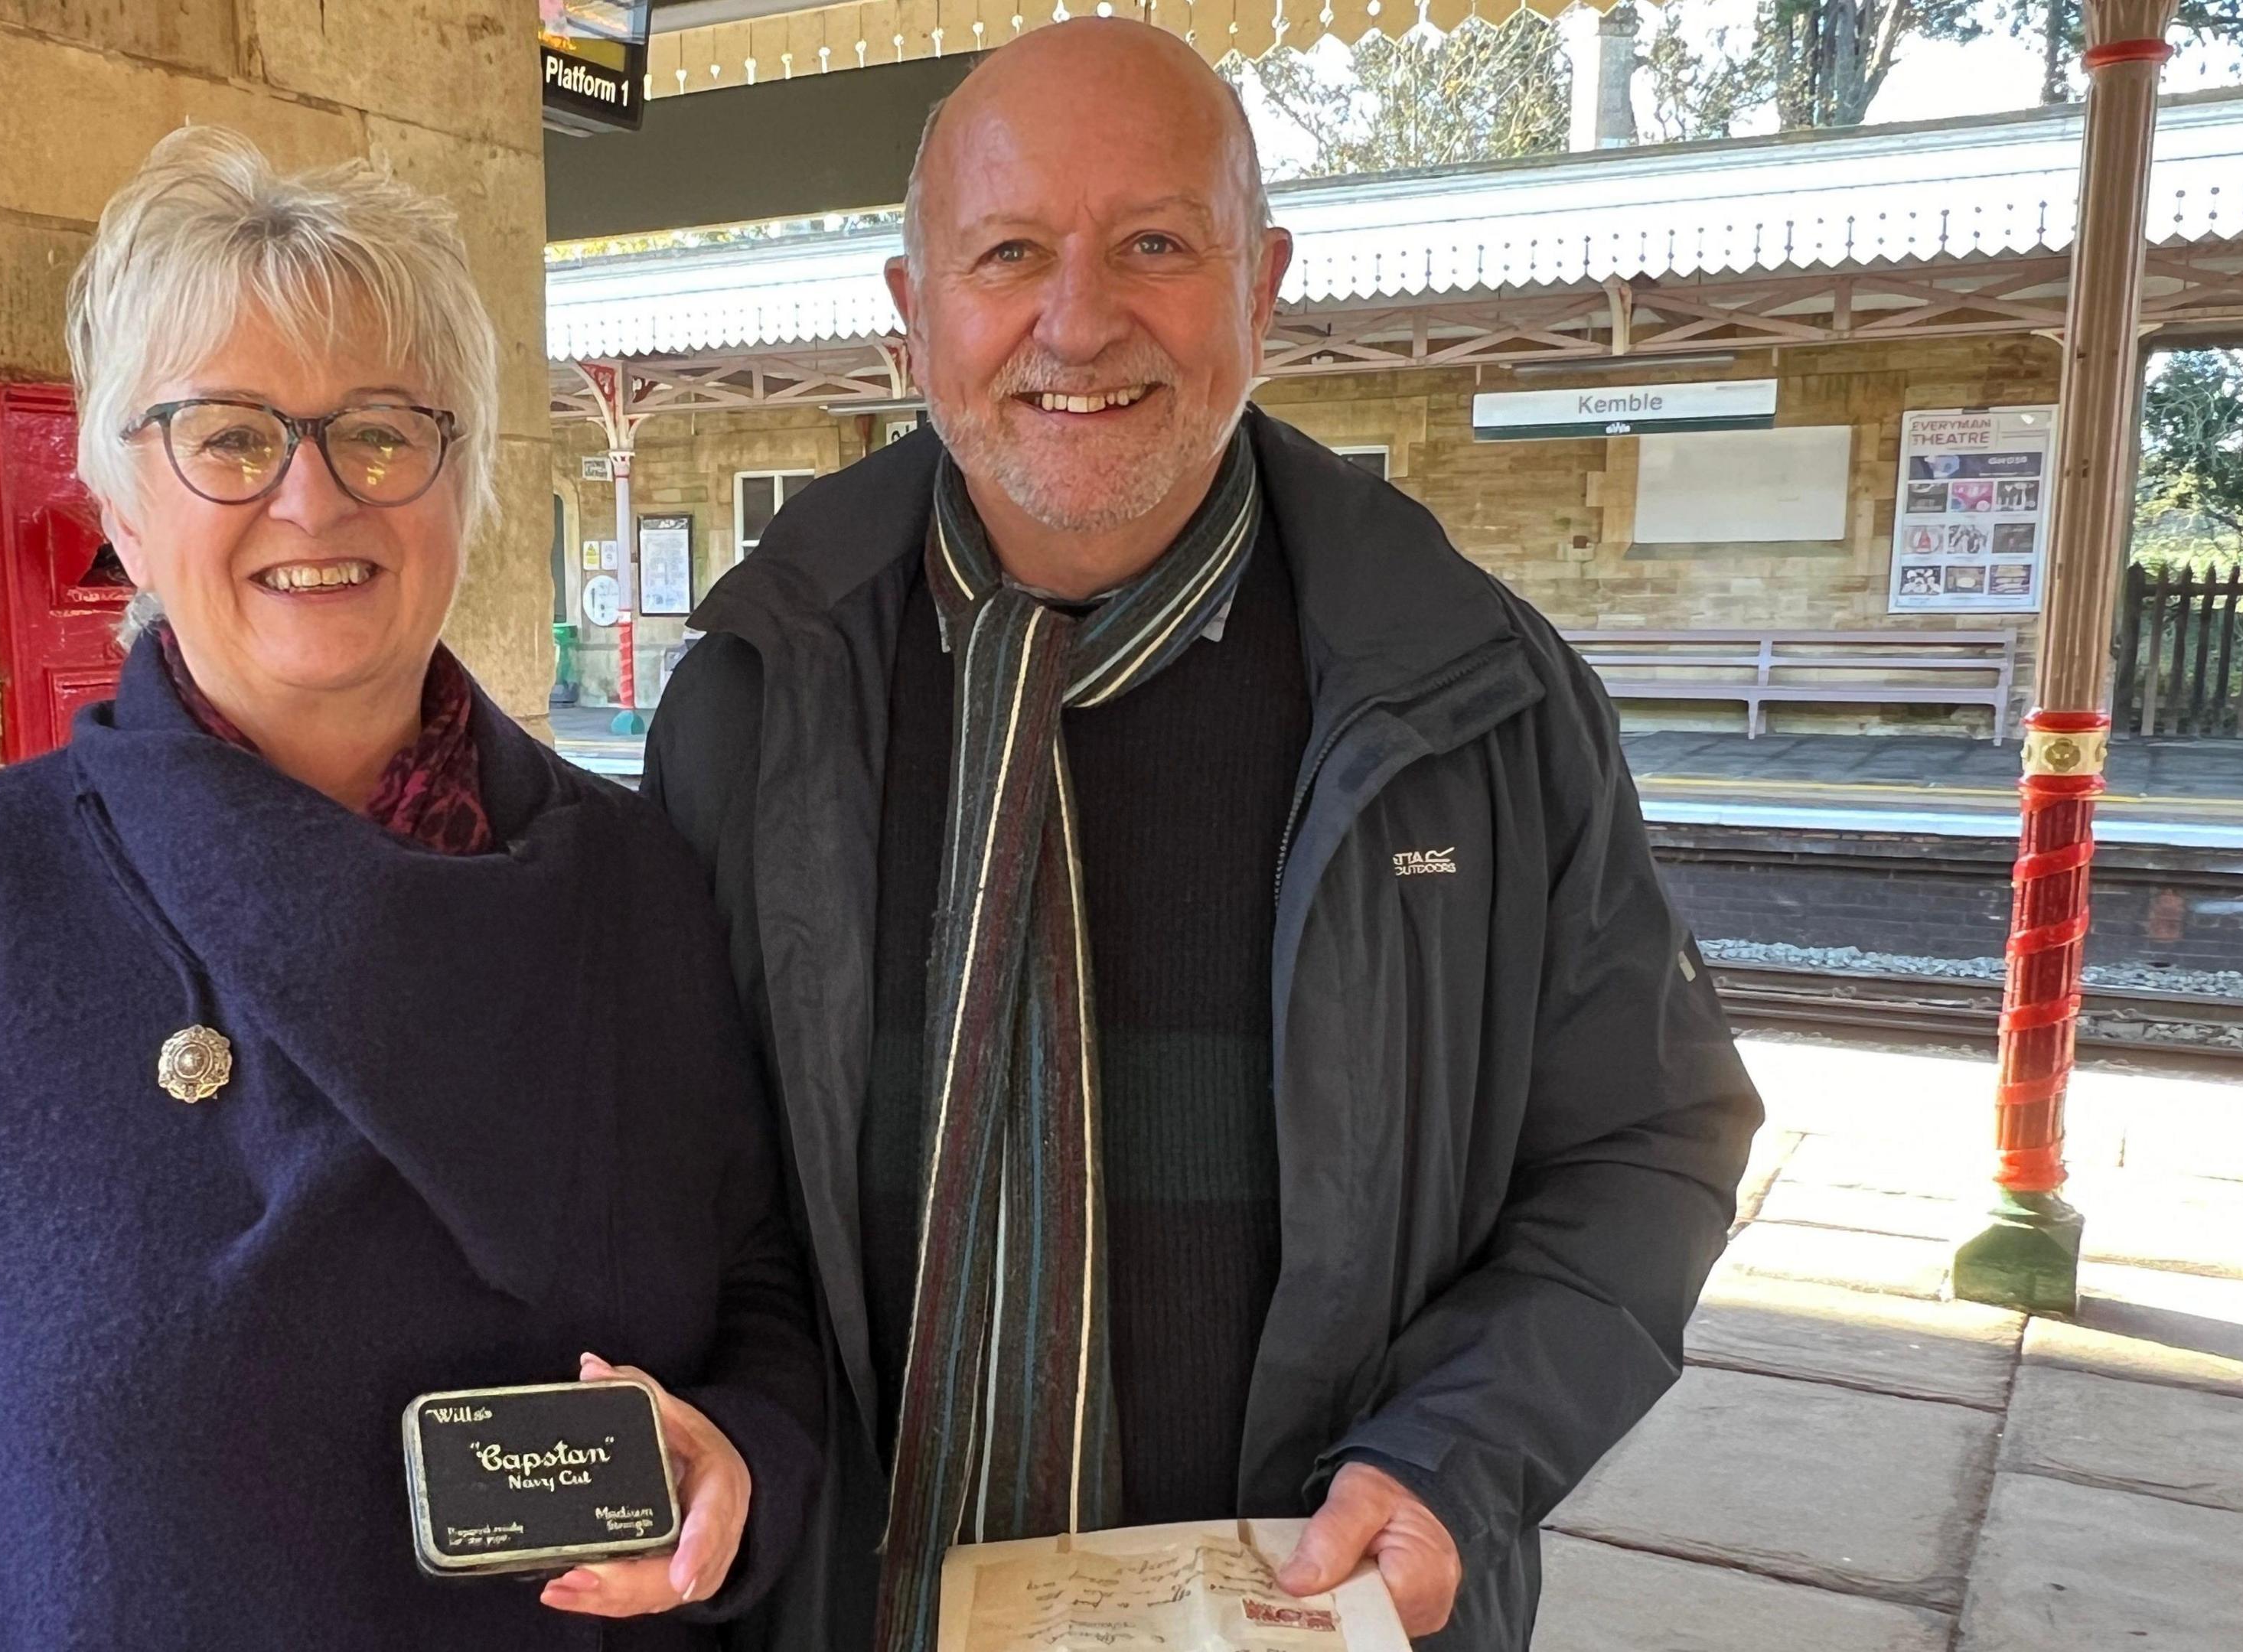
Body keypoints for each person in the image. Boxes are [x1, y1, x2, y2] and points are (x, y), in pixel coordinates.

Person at [640, 24, 1762, 1652]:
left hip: (1307, 1619)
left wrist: (1454, 1454)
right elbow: (685, 1191)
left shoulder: (1483, 710)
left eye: (1156, 244)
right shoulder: (750, 703)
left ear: (1264, 285)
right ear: (911, 314)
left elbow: (1647, 1147)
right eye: (1008, 252)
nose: (1077, 319)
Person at [0, 128, 820, 1648]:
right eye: (229, 437)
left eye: (382, 432)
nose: (314, 498)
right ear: (124, 504)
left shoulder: (630, 888)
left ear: (464, 481)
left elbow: (766, 1303)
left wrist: (738, 1459)